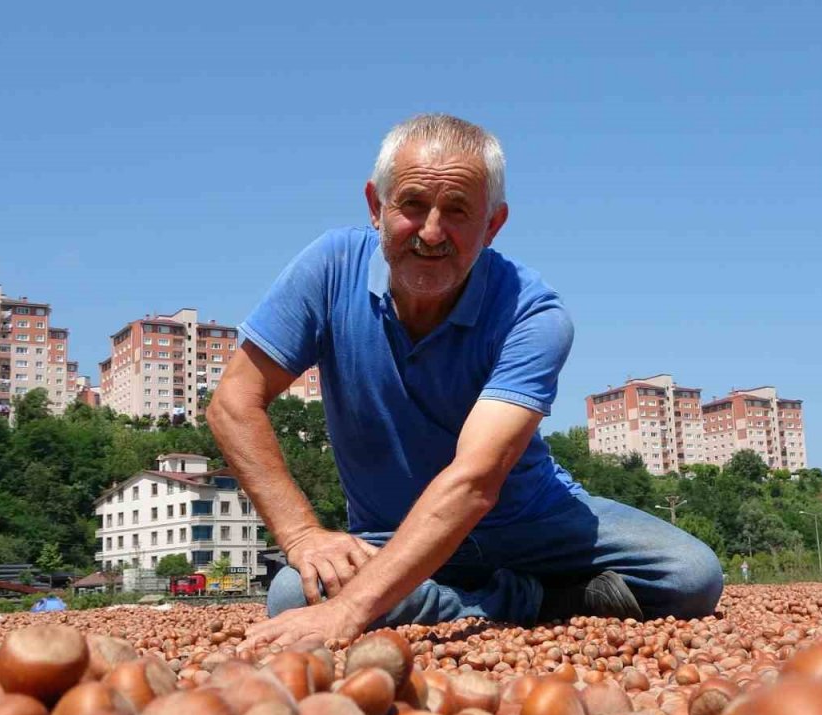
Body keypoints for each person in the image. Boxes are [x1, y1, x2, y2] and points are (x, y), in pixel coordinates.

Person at [208, 114, 723, 648]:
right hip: (392, 531)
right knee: (294, 592)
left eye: (457, 211)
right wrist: (302, 535)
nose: (432, 232)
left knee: (689, 577)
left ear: (493, 224)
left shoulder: (532, 311)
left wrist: (354, 611)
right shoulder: (329, 268)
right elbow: (234, 402)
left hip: (533, 521)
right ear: (374, 205)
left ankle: (474, 593)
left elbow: (477, 479)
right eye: (412, 205)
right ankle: (535, 601)